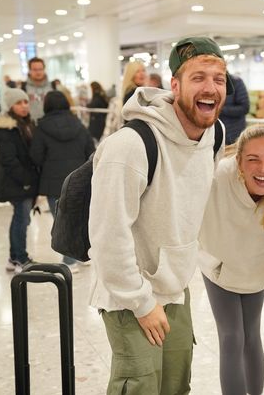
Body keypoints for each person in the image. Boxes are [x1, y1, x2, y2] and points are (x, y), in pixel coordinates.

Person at [89, 36, 231, 394]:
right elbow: (108, 235)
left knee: (175, 385)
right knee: (140, 386)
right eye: (198, 77)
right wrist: (140, 301)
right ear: (174, 85)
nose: (211, 87)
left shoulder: (214, 134)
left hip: (175, 288)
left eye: (219, 78)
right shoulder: (130, 146)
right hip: (128, 294)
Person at [198, 124, 264, 395]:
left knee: (251, 336)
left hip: (255, 266)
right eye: (253, 159)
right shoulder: (218, 176)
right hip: (219, 264)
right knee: (232, 337)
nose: (263, 168)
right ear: (240, 164)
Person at [29, 91, 95, 273]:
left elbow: (36, 156)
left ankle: (70, 260)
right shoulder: (79, 124)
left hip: (53, 181)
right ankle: (83, 255)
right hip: (79, 179)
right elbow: (91, 150)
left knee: (61, 219)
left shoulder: (41, 128)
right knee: (82, 216)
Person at [0, 88, 39, 274]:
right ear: (10, 106)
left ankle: (13, 257)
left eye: (25, 102)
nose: (24, 106)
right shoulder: (7, 128)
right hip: (17, 181)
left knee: (20, 218)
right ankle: (20, 258)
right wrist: (25, 179)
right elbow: (9, 160)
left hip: (25, 180)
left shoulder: (25, 123)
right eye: (19, 103)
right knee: (21, 219)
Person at [219, 74, 250, 144]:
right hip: (217, 133)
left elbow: (245, 107)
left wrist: (220, 109)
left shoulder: (236, 82)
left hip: (234, 133)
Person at [23, 57, 53, 122]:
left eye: (40, 69)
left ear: (44, 69)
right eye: (35, 69)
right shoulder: (23, 87)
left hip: (51, 123)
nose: (38, 72)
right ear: (29, 70)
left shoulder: (52, 86)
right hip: (31, 124)